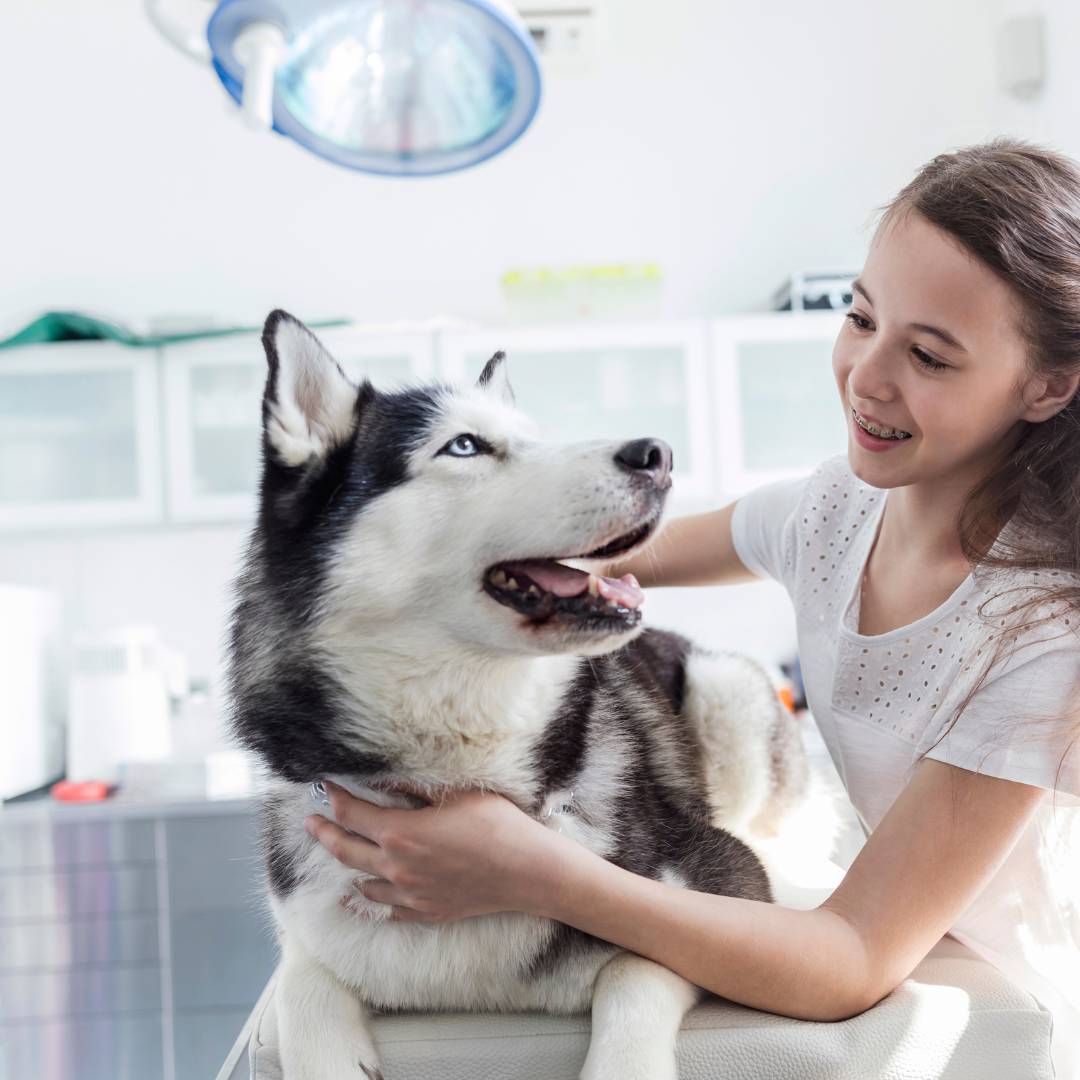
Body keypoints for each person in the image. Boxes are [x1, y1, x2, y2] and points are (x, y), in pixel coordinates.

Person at [304, 139, 1080, 1078]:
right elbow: (615, 554)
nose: (867, 376)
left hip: (1021, 1018)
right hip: (932, 951)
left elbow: (851, 961)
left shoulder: (1042, 632)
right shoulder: (836, 512)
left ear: (1048, 384)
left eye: (927, 355)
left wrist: (530, 868)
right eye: (861, 317)